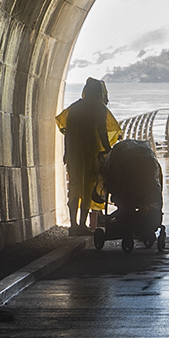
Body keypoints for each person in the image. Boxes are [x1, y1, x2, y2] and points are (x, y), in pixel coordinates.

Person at [56, 78, 121, 235]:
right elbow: (102, 131)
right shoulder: (98, 108)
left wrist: (66, 152)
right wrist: (108, 149)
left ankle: (73, 225)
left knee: (74, 186)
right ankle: (83, 225)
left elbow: (67, 132)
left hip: (74, 153)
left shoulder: (75, 108)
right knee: (88, 186)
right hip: (91, 152)